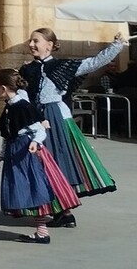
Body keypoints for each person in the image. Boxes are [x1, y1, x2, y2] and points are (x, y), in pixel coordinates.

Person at [19, 28, 124, 228]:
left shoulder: (62, 66)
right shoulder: (27, 69)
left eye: (36, 41)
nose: (31, 45)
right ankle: (61, 211)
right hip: (36, 118)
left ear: (49, 45)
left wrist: (116, 45)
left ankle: (63, 210)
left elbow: (93, 63)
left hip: (55, 117)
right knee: (44, 163)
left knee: (58, 161)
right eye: (30, 41)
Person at [0, 68, 80, 244]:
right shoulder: (10, 107)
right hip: (15, 152)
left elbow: (39, 129)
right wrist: (3, 153)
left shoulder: (23, 106)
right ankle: (43, 230)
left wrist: (35, 143)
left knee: (33, 189)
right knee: (30, 190)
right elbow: (8, 134)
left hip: (26, 153)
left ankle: (42, 232)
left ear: (3, 88)